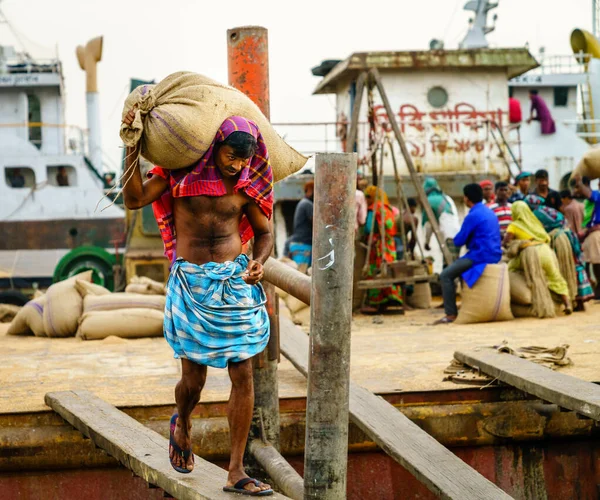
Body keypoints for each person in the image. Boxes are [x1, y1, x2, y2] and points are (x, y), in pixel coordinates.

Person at [122, 110, 273, 495]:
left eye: (243, 160)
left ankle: (236, 471)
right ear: (215, 149)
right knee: (194, 380)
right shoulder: (178, 176)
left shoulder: (244, 185)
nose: (237, 166)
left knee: (244, 375)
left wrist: (259, 261)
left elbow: (264, 232)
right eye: (231, 157)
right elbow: (135, 198)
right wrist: (130, 148)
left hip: (234, 284)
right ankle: (183, 423)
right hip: (190, 285)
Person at [433, 184, 502, 324]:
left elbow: (459, 241)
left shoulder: (472, 215)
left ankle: (450, 314)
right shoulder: (489, 212)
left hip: (480, 256)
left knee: (446, 275)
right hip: (495, 253)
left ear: (467, 198)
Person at [504, 201, 572, 315]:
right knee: (555, 277)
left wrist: (516, 244)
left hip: (530, 254)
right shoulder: (535, 222)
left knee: (510, 269)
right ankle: (567, 303)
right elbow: (545, 236)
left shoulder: (514, 225)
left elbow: (506, 242)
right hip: (545, 251)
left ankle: (539, 304)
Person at [532, 203, 594, 311]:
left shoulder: (537, 214)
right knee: (575, 267)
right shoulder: (565, 228)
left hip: (560, 242)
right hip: (570, 241)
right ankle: (579, 302)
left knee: (566, 270)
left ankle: (573, 299)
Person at [361, 186, 403, 314]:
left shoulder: (374, 208)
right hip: (390, 245)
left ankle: (376, 303)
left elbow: (368, 228)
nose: (366, 201)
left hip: (378, 245)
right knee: (389, 269)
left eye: (367, 198)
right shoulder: (387, 208)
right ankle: (392, 298)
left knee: (375, 270)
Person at [572, 175, 600, 299]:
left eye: (578, 188)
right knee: (588, 263)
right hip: (589, 234)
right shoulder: (588, 202)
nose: (576, 191)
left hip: (594, 234)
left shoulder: (596, 196)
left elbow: (589, 194)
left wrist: (580, 183)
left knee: (596, 263)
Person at [422, 177, 460, 260]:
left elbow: (428, 225)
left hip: (448, 238)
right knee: (455, 266)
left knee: (449, 268)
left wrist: (426, 243)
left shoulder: (428, 201)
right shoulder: (447, 198)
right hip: (458, 235)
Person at [287, 180, 314, 273]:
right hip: (303, 245)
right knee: (301, 276)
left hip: (299, 244)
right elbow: (317, 224)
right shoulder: (308, 204)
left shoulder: (303, 203)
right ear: (309, 191)